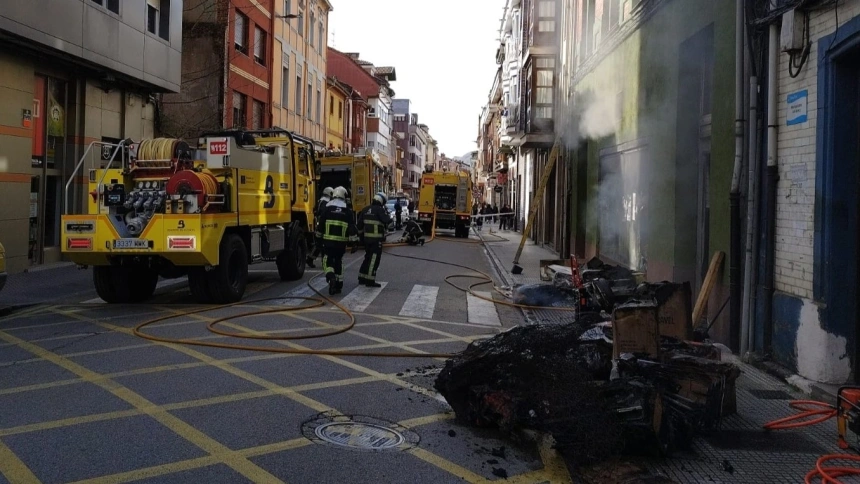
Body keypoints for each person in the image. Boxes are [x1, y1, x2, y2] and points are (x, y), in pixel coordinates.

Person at [317, 186, 358, 295]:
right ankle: (339, 285)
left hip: (328, 243)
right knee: (339, 262)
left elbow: (320, 227)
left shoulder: (327, 209)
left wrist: (318, 240)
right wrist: (354, 243)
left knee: (328, 261)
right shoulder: (347, 211)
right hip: (341, 244)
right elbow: (352, 228)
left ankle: (331, 278)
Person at [356, 192, 392, 287]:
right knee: (374, 259)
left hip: (366, 240)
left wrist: (359, 239)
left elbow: (359, 226)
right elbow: (387, 220)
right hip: (376, 240)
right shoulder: (380, 210)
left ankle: (362, 277)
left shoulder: (365, 209)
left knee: (367, 257)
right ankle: (370, 280)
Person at [307, 187, 333, 268]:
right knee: (322, 244)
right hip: (323, 226)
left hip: (320, 225)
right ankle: (323, 262)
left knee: (319, 244)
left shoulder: (321, 201)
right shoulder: (325, 203)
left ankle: (310, 259)